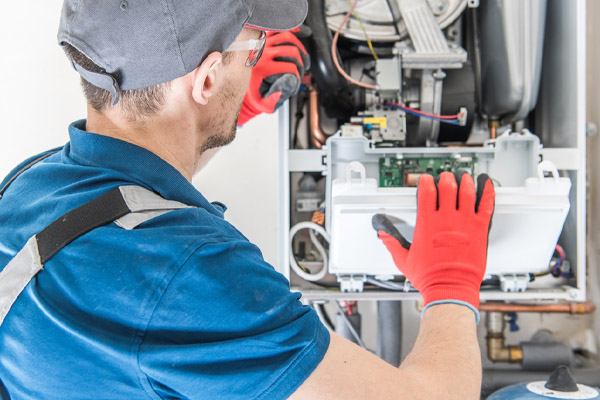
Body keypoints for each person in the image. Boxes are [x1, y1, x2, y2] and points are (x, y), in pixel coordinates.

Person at [0, 0, 495, 399]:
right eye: (253, 51)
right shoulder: (190, 275)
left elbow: (133, 193)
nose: (257, 61)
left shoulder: (31, 184)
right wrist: (452, 283)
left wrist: (226, 111)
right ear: (207, 78)